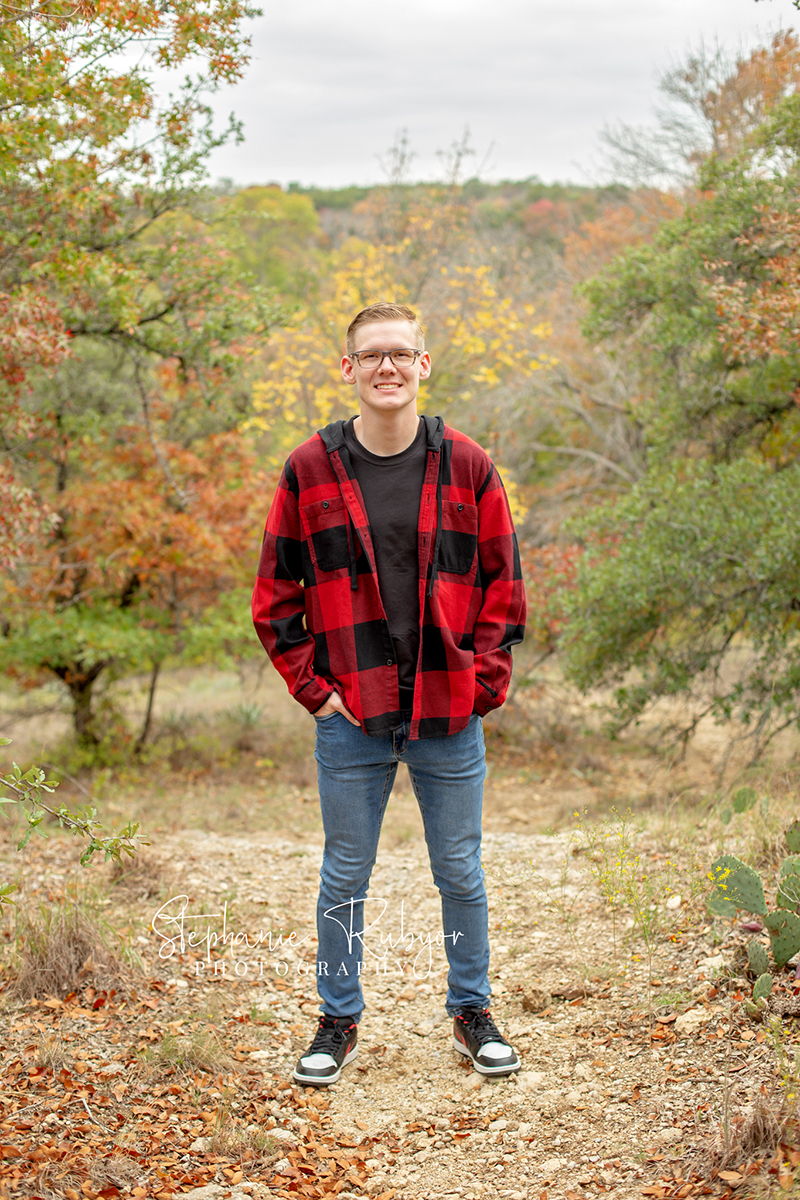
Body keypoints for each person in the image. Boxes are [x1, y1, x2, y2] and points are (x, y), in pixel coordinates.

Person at [252, 302, 527, 1087]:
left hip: (448, 711)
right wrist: (316, 691)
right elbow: (274, 598)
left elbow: (504, 587)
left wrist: (481, 687)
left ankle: (472, 1011)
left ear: (423, 364)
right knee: (345, 872)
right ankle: (337, 1020)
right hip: (353, 718)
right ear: (348, 369)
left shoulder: (468, 464)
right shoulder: (309, 468)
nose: (386, 368)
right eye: (371, 356)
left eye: (400, 354)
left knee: (461, 870)